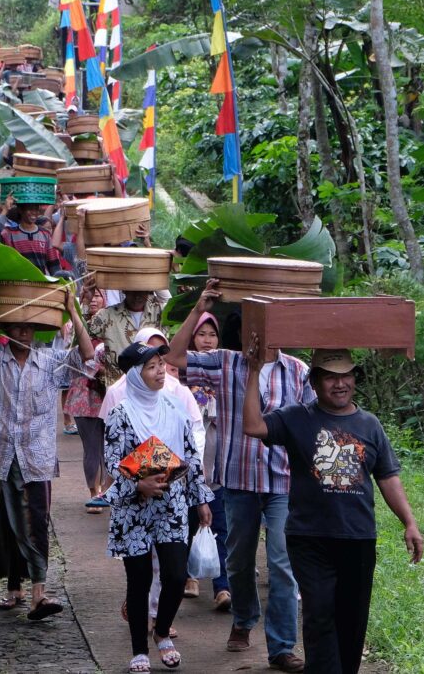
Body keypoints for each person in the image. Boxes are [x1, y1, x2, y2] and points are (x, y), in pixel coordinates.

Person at [242, 343, 424, 674]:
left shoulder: (370, 425)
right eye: (329, 377)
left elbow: (387, 477)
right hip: (309, 538)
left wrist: (409, 523)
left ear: (355, 379)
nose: (340, 384)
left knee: (352, 619)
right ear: (314, 382)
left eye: (346, 376)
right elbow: (253, 426)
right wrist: (254, 371)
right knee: (320, 613)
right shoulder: (296, 417)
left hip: (358, 537)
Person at [165, 279, 310, 673]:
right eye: (253, 325)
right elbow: (174, 357)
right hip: (238, 480)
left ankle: (281, 646)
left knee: (281, 563)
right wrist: (200, 307)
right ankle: (244, 618)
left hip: (282, 482)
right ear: (246, 330)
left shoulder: (298, 372)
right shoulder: (226, 363)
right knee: (240, 560)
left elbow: (313, 425)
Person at [0, 291, 94, 620]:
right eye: (17, 326)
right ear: (5, 328)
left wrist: (72, 311)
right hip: (0, 454)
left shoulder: (50, 362)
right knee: (4, 522)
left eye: (29, 326)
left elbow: (87, 356)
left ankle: (38, 594)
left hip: (37, 458)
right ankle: (14, 588)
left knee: (36, 523)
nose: (24, 332)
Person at [104, 342, 214, 673]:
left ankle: (162, 631)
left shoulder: (174, 407)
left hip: (171, 505)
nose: (160, 371)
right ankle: (139, 650)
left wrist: (201, 499)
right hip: (134, 508)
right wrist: (139, 485)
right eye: (151, 367)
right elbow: (112, 462)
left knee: (176, 575)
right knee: (138, 581)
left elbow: (191, 457)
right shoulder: (120, 414)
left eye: (161, 364)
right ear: (135, 375)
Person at [183, 312, 231, 608]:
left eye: (212, 334)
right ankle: (190, 575)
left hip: (217, 462)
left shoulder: (227, 373)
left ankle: (222, 587)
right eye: (201, 334)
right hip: (190, 464)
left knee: (220, 526)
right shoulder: (183, 376)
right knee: (190, 522)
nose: (207, 340)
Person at [62, 288, 109, 511]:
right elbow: (74, 354)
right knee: (91, 447)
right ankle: (94, 492)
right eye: (91, 297)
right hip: (84, 393)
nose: (94, 300)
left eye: (98, 296)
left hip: (110, 392)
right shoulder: (74, 328)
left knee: (110, 447)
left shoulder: (113, 325)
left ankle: (107, 491)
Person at [87, 289, 166, 388]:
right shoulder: (107, 315)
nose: (137, 296)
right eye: (132, 291)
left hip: (153, 388)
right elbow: (78, 335)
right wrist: (86, 302)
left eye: (141, 291)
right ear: (124, 290)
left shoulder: (159, 312)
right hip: (118, 388)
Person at [0, 195, 63, 276]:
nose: (34, 212)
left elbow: (54, 265)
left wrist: (59, 279)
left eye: (36, 209)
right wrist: (5, 210)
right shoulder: (9, 233)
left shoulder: (45, 234)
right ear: (20, 210)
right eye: (30, 209)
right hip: (17, 282)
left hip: (40, 283)